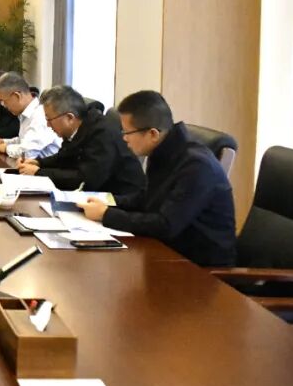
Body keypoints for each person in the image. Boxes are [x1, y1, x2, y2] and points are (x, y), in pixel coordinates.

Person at [78, 91, 236, 266]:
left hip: (198, 268)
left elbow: (166, 225)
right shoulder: (163, 152)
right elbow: (147, 198)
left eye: (127, 132)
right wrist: (108, 201)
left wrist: (106, 214)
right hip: (167, 253)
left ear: (152, 134)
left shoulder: (197, 166)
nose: (124, 138)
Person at [16, 85, 145, 195]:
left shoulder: (102, 134)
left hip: (121, 200)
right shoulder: (80, 127)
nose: (48, 125)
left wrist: (39, 172)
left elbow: (85, 180)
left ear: (69, 118)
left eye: (49, 119)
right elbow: (64, 157)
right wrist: (38, 163)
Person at [0, 72, 61, 159]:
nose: (4, 105)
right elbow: (23, 141)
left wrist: (6, 148)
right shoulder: (26, 114)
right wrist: (3, 142)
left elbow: (28, 152)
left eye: (4, 101)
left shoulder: (40, 116)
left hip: (47, 166)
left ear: (17, 96)